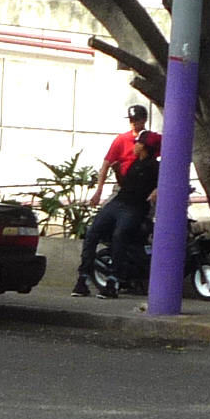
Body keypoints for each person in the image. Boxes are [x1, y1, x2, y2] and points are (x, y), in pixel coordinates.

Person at [75, 120, 160, 299]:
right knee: (92, 233)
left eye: (138, 143)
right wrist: (118, 172)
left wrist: (155, 191)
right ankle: (83, 278)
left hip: (135, 207)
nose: (135, 146)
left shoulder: (155, 166)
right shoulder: (135, 163)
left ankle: (113, 281)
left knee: (119, 237)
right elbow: (126, 185)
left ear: (144, 146)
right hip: (118, 202)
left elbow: (163, 184)